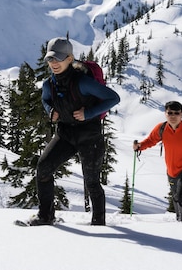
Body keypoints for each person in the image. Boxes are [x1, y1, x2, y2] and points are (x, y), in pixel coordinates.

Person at [29, 37, 120, 226]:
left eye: (58, 58)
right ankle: (46, 217)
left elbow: (113, 98)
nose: (53, 63)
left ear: (70, 59)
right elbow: (45, 100)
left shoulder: (83, 82)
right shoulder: (49, 84)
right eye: (50, 59)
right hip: (65, 134)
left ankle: (98, 223)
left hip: (90, 136)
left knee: (92, 181)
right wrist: (50, 111)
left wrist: (89, 113)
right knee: (43, 169)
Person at [133, 101, 182, 223]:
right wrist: (140, 146)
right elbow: (151, 140)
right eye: (170, 113)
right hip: (171, 170)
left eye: (176, 113)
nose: (173, 116)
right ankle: (178, 220)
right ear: (165, 114)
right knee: (175, 196)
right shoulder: (161, 128)